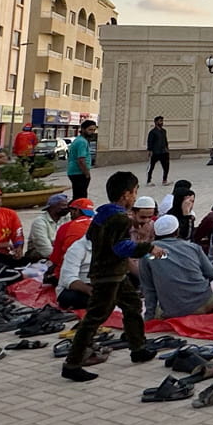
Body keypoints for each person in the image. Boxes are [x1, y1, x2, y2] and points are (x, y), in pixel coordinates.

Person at [61, 173, 163, 383]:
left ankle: (138, 348)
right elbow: (120, 247)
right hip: (108, 275)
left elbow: (93, 237)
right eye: (134, 192)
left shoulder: (102, 215)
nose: (135, 197)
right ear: (126, 195)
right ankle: (72, 363)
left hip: (113, 273)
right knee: (95, 317)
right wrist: (148, 248)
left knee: (132, 304)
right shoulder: (120, 219)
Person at [25, 192, 71, 264]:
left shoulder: (66, 219)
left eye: (67, 205)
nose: (66, 208)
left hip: (59, 253)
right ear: (52, 207)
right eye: (63, 205)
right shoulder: (39, 222)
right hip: (39, 255)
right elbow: (45, 249)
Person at [65, 121, 97, 200]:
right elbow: (81, 159)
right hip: (79, 173)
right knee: (81, 198)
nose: (92, 132)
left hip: (75, 172)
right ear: (83, 129)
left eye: (94, 130)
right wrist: (86, 173)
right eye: (90, 130)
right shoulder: (82, 142)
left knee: (77, 196)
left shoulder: (79, 140)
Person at [145, 115, 171, 185]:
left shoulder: (164, 131)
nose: (162, 122)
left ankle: (164, 180)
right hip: (155, 152)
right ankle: (148, 181)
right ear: (156, 122)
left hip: (164, 152)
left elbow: (165, 140)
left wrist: (167, 148)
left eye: (162, 121)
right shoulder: (152, 132)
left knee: (166, 166)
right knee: (151, 167)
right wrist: (150, 150)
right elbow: (149, 141)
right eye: (160, 121)